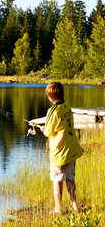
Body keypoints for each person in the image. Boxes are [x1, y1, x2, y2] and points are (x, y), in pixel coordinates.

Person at [30, 82, 83, 214]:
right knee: (70, 178)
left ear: (50, 96)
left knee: (57, 180)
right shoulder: (66, 106)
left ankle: (58, 209)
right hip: (71, 149)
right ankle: (75, 206)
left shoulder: (52, 111)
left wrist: (41, 127)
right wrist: (36, 121)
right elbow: (53, 120)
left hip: (59, 152)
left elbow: (47, 132)